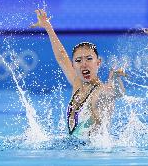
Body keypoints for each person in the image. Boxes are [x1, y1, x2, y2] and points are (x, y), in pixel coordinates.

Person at [31, 9, 126, 140]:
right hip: (76, 152)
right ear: (74, 65)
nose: (84, 64)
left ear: (98, 63)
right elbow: (61, 57)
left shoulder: (100, 91)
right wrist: (48, 26)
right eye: (78, 60)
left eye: (89, 59)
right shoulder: (77, 83)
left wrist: (115, 78)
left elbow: (116, 93)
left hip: (94, 155)